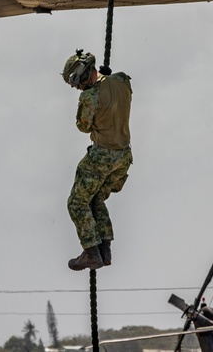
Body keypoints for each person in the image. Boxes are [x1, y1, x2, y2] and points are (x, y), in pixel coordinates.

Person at [61, 49, 133, 271]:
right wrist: (105, 79)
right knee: (95, 199)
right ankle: (105, 249)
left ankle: (91, 252)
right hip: (123, 156)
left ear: (82, 74)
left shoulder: (89, 97)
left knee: (77, 203)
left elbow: (83, 126)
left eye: (77, 83)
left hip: (102, 157)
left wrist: (92, 98)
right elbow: (117, 91)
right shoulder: (121, 80)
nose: (79, 88)